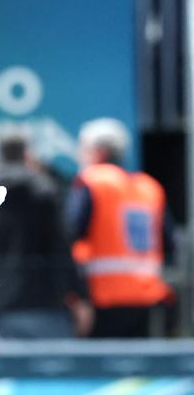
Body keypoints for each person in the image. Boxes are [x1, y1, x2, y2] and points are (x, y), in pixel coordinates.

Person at [0, 130, 81, 337]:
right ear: (27, 153)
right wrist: (79, 295)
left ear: (0, 153)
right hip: (45, 303)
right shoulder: (46, 188)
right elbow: (61, 246)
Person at [65, 118, 174, 337]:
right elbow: (169, 243)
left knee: (101, 358)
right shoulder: (150, 187)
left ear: (98, 152)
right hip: (146, 297)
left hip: (101, 297)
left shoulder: (92, 181)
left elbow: (69, 232)